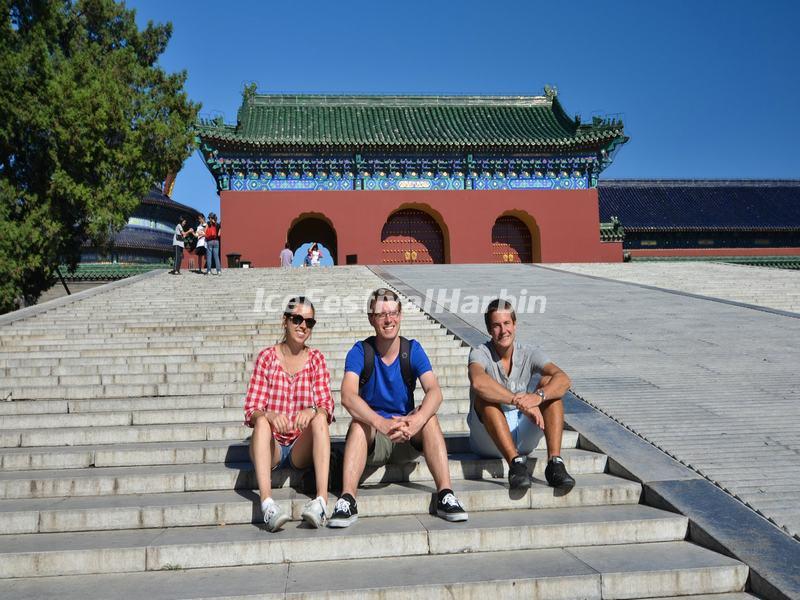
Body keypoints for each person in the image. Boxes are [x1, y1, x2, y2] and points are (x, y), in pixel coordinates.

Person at [329, 288, 468, 527]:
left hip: (407, 433)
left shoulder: (412, 350)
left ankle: (446, 494)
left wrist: (417, 420)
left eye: (393, 313)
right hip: (376, 438)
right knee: (359, 423)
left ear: (401, 315)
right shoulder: (360, 352)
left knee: (430, 417)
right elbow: (348, 396)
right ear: (371, 318)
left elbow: (435, 392)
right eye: (381, 314)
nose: (388, 319)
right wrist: (380, 422)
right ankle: (348, 499)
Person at [242, 296, 334, 531]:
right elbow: (251, 409)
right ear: (285, 321)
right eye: (297, 319)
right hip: (272, 447)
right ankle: (267, 505)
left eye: (309, 322)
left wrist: (313, 411)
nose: (303, 326)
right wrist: (269, 416)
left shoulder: (316, 360)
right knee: (261, 423)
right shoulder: (267, 358)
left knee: (321, 419)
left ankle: (321, 501)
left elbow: (326, 404)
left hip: (299, 448)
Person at [467, 299, 575, 491]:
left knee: (549, 385)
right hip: (488, 439)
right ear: (489, 330)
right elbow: (477, 382)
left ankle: (555, 463)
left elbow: (563, 379)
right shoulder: (480, 353)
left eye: (507, 323)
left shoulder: (529, 352)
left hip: (523, 431)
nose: (503, 330)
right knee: (484, 397)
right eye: (496, 326)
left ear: (515, 325)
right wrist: (518, 401)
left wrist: (537, 397)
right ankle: (515, 464)